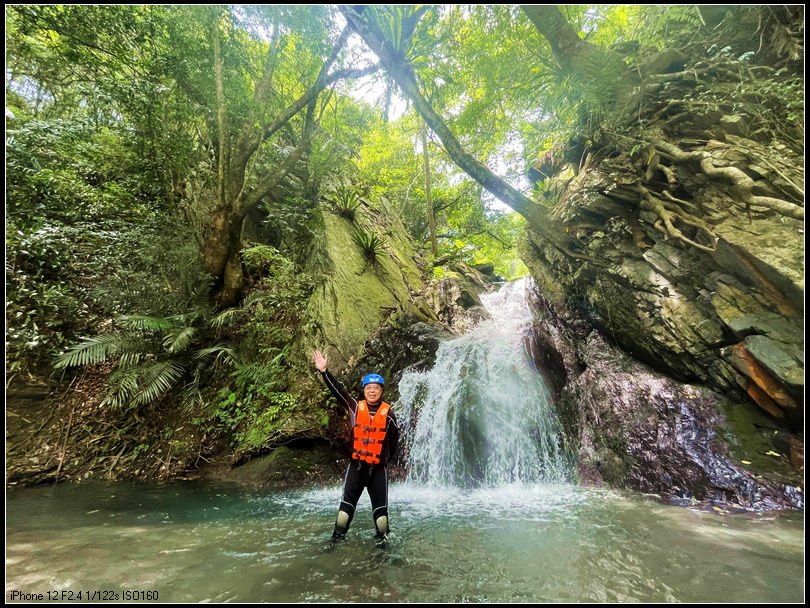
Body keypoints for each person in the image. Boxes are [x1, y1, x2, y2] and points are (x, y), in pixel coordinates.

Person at [313, 349, 399, 546]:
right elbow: (338, 391)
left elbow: (394, 442)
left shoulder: (390, 416)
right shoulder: (354, 406)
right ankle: (336, 541)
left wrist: (384, 461)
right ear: (364, 390)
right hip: (356, 467)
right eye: (368, 387)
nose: (372, 391)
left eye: (376, 388)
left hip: (378, 470)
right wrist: (324, 371)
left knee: (382, 518)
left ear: (382, 391)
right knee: (344, 512)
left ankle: (383, 547)